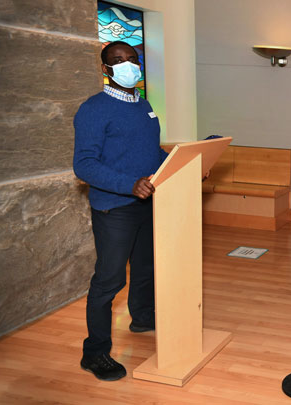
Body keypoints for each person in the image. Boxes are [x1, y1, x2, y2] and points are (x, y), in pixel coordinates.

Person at [73, 41, 168, 381]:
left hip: (146, 202)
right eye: (118, 60)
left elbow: (150, 153)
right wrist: (129, 184)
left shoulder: (143, 105)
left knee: (145, 268)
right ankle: (95, 353)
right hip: (115, 206)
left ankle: (142, 317)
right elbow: (83, 165)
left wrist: (180, 166)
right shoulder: (94, 109)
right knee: (109, 280)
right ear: (106, 69)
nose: (127, 65)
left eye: (132, 59)